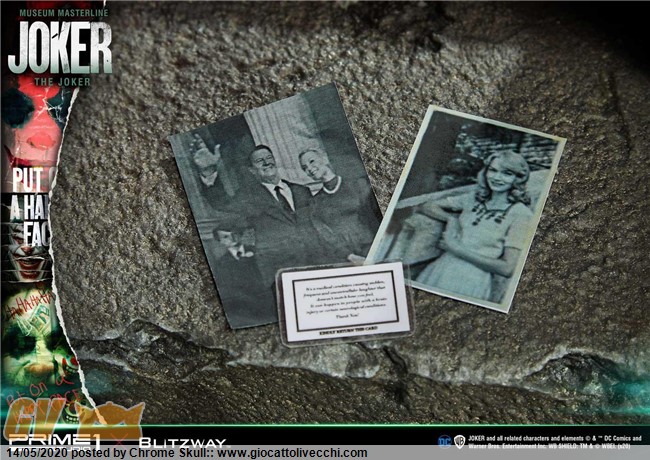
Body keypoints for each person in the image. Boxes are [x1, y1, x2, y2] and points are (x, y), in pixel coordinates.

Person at [413, 151, 534, 303]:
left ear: (518, 178)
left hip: (471, 282)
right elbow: (427, 206)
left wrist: (456, 248)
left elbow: (507, 268)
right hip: (440, 270)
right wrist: (451, 219)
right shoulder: (474, 198)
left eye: (507, 173)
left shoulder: (521, 214)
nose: (497, 177)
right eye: (493, 170)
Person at [239, 145, 317, 290]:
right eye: (259, 161)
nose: (266, 162)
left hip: (316, 264)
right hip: (281, 272)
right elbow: (222, 203)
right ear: (252, 170)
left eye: (269, 158)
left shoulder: (302, 190)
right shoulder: (249, 199)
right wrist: (208, 172)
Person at [298, 148, 381, 262]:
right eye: (304, 168)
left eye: (312, 161)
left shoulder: (358, 185)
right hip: (348, 259)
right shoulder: (315, 202)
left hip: (377, 248)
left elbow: (377, 217)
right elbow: (325, 234)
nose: (309, 168)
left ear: (324, 159)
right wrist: (349, 256)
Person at [210, 219, 275, 328]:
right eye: (225, 237)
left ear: (240, 234)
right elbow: (229, 290)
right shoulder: (222, 264)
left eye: (234, 234)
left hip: (270, 303)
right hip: (246, 310)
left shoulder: (258, 252)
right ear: (220, 241)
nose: (232, 238)